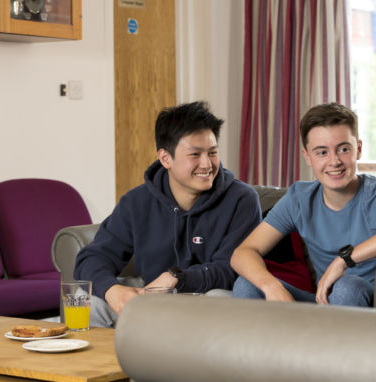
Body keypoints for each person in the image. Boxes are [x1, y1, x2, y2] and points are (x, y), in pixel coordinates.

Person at [74, 101, 261, 327]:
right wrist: (113, 291)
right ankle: (109, 363)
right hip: (151, 296)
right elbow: (92, 258)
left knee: (220, 300)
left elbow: (231, 268)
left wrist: (175, 278)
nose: (207, 164)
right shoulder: (136, 201)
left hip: (207, 297)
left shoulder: (242, 200)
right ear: (165, 159)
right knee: (90, 303)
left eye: (212, 153)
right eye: (195, 154)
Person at [231, 103, 376, 306]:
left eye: (344, 149)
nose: (334, 161)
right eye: (321, 152)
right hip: (323, 304)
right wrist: (271, 286)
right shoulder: (299, 199)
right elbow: (243, 253)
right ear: (307, 157)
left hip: (369, 305)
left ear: (359, 149)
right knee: (246, 285)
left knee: (347, 286)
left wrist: (344, 260)